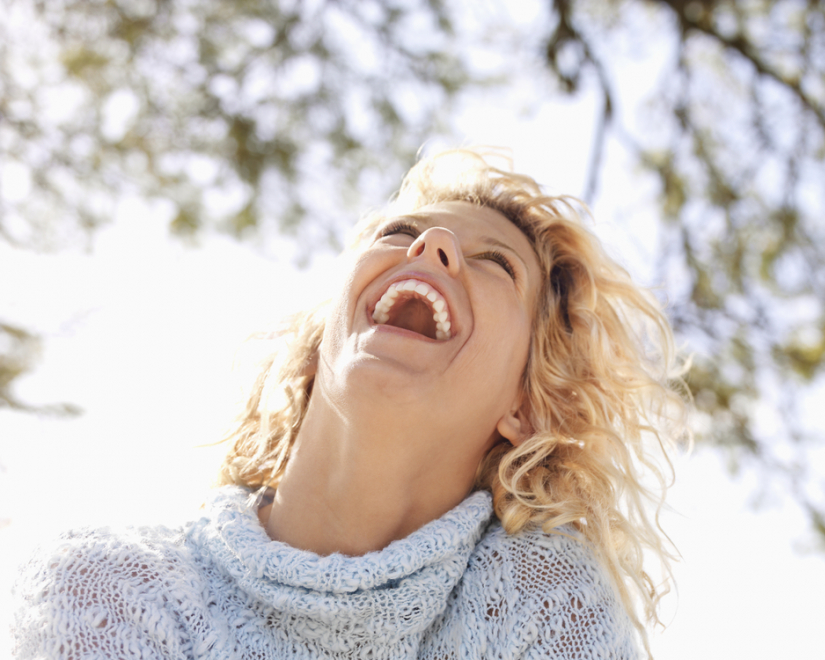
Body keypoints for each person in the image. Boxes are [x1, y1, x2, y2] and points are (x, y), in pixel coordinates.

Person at [12, 149, 687, 659]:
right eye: (400, 233)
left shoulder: (546, 600)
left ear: (527, 408)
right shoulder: (104, 590)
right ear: (321, 340)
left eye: (497, 263)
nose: (433, 247)